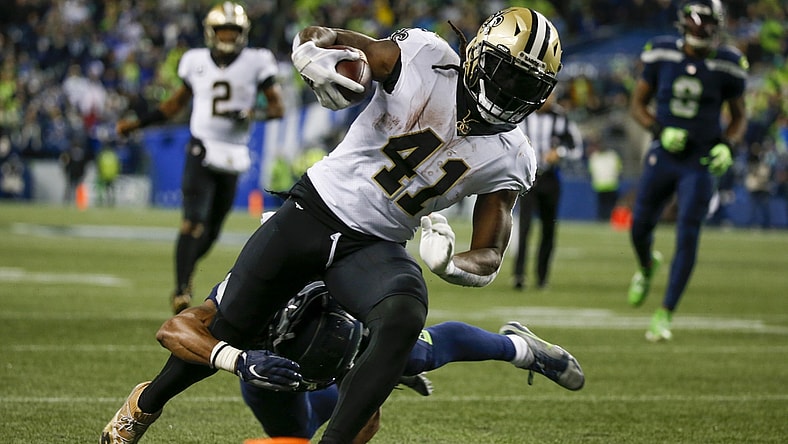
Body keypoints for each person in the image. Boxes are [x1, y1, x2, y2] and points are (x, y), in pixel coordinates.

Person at [100, 7, 584, 444]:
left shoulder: (513, 154)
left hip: (376, 244)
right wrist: (314, 56)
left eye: (525, 84)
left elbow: (492, 252)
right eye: (504, 73)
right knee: (232, 325)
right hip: (313, 211)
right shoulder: (425, 57)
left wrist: (453, 264)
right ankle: (145, 405)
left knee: (404, 314)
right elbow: (327, 37)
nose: (508, 91)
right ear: (477, 55)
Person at [116, 2, 285, 314]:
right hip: (201, 147)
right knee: (192, 223)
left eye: (233, 31)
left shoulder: (256, 61)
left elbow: (277, 108)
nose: (227, 36)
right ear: (211, 32)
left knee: (212, 230)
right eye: (222, 30)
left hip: (233, 154)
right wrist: (138, 124)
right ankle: (181, 290)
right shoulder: (194, 61)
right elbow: (173, 105)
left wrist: (252, 113)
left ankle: (187, 272)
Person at [628, 0, 747, 341]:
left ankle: (665, 312)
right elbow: (638, 105)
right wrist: (659, 130)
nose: (702, 30)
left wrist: (730, 145)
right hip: (664, 153)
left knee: (688, 230)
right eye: (698, 23)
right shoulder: (661, 52)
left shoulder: (729, 63)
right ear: (685, 24)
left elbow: (739, 116)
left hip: (702, 159)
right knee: (639, 225)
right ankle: (647, 264)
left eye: (707, 24)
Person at [512, 91, 583, 290]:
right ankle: (519, 275)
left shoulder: (561, 117)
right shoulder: (522, 113)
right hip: (527, 178)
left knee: (548, 229)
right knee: (524, 227)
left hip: (550, 178)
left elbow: (576, 146)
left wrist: (559, 152)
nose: (549, 98)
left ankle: (542, 277)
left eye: (552, 94)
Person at [587, 141, 623, 221]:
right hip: (607, 185)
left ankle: (605, 219)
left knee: (606, 205)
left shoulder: (596, 157)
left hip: (605, 185)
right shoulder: (612, 156)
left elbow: (590, 172)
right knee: (607, 205)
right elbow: (619, 170)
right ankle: (606, 219)